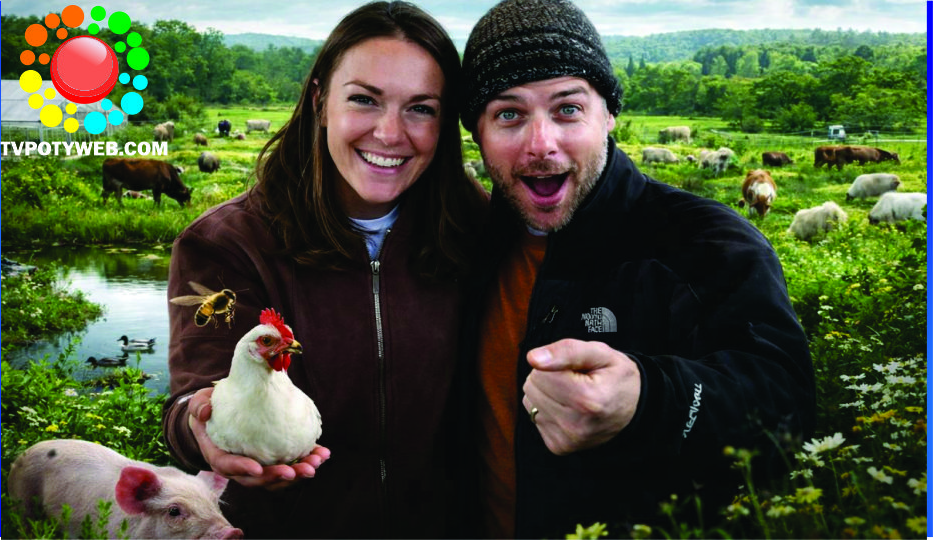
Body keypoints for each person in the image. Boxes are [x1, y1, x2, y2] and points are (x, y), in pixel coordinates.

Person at [458, 0, 817, 537]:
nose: (541, 144)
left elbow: (787, 404)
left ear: (609, 115)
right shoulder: (466, 245)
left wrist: (649, 400)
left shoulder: (707, 243)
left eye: (568, 109)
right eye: (508, 114)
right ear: (477, 133)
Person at [162, 2, 487, 538]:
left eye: (421, 108)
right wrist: (194, 426)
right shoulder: (225, 245)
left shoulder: (477, 230)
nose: (390, 133)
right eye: (364, 99)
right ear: (319, 101)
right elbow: (198, 389)